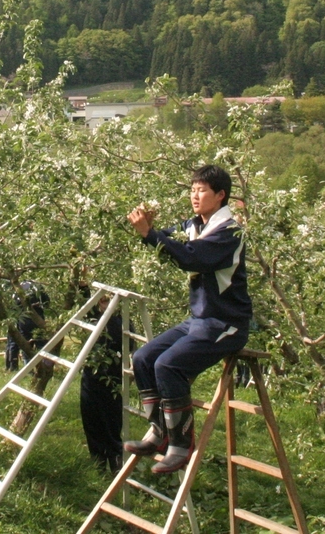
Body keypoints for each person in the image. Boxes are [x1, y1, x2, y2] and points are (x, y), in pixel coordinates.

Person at [124, 164, 252, 474]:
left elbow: (190, 257)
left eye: (202, 191)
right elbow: (166, 242)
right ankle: (158, 431)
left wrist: (152, 235)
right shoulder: (195, 224)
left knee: (168, 365)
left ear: (220, 195)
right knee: (143, 358)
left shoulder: (229, 231)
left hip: (226, 323)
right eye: (192, 190)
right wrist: (148, 229)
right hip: (198, 319)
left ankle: (181, 444)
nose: (195, 196)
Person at [80, 293, 125, 474]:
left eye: (108, 300)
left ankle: (115, 462)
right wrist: (83, 284)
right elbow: (85, 303)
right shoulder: (94, 319)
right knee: (91, 419)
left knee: (111, 422)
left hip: (113, 381)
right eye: (103, 300)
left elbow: (130, 347)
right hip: (91, 379)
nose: (105, 303)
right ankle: (97, 463)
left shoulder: (121, 321)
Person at [5, 280, 49, 371]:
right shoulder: (37, 286)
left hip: (23, 320)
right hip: (38, 318)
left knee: (25, 344)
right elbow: (47, 302)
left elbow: (13, 305)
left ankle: (27, 368)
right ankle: (44, 367)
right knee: (41, 344)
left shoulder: (17, 288)